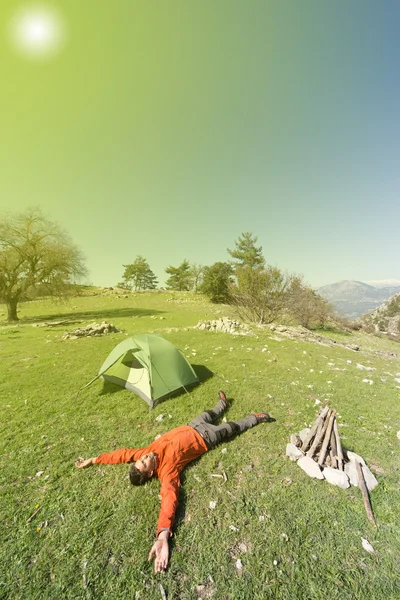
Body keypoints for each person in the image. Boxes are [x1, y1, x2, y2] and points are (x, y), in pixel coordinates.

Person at [75, 391, 274, 573]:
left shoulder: (145, 452)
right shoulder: (167, 471)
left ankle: (223, 403)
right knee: (232, 427)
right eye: (145, 462)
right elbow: (169, 498)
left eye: (141, 459)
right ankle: (255, 418)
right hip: (206, 437)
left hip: (191, 425)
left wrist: (95, 459)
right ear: (151, 471)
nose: (145, 457)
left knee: (210, 413)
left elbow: (122, 454)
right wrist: (163, 534)